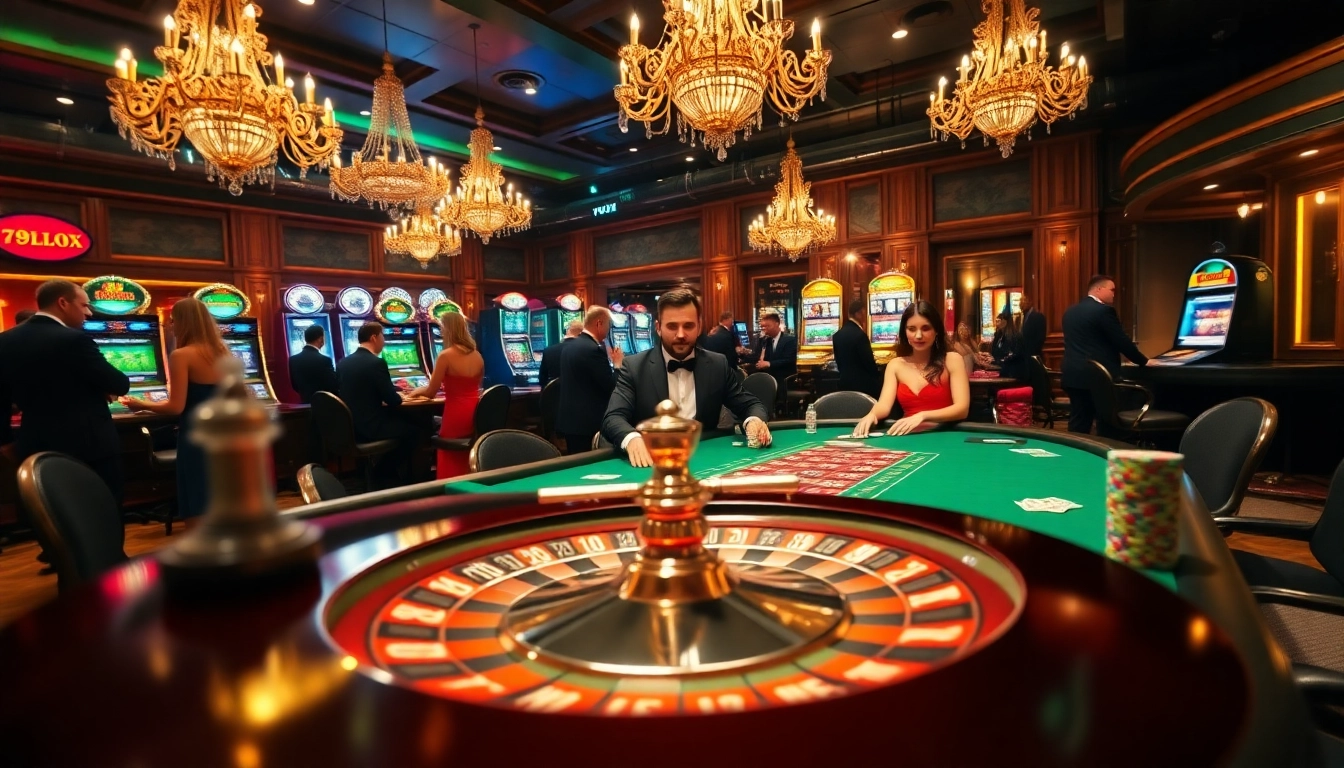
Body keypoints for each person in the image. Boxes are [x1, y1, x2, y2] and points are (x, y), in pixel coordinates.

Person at [602, 289, 770, 467]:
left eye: (688, 326)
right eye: (672, 326)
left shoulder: (717, 364)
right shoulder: (634, 367)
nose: (681, 334)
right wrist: (632, 438)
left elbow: (750, 405)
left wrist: (753, 421)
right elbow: (613, 417)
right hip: (652, 463)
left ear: (699, 326)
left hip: (707, 462)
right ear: (658, 328)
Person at [0, 280, 130, 509]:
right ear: (63, 303)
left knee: (53, 514)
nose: (88, 313)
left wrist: (6, 442)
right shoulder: (74, 339)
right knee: (101, 513)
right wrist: (102, 389)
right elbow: (119, 383)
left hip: (35, 445)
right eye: (84, 305)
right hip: (89, 448)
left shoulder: (5, 340)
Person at [120, 298, 226, 520]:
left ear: (185, 322)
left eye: (173, 320)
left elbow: (176, 406)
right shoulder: (224, 353)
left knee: (198, 504)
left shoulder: (182, 355)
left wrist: (142, 404)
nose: (171, 326)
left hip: (197, 438)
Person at [853, 300, 969, 437]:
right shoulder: (895, 365)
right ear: (905, 331)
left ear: (936, 330)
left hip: (945, 435)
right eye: (912, 329)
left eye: (926, 328)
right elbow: (884, 405)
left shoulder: (952, 360)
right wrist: (872, 415)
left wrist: (922, 416)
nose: (918, 336)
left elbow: (962, 409)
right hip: (908, 436)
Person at [336, 322, 425, 487]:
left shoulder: (343, 363)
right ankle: (388, 474)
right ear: (374, 338)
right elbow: (393, 401)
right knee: (417, 430)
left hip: (351, 427)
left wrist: (394, 389)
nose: (384, 340)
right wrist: (401, 394)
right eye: (383, 336)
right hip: (372, 427)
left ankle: (386, 475)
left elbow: (363, 389)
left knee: (407, 423)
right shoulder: (376, 363)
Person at [1061, 275, 1150, 436]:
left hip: (1072, 374)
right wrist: (1144, 361)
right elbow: (1121, 341)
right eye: (1112, 290)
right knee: (1106, 423)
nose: (1114, 294)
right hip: (1098, 376)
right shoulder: (1103, 311)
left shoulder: (1070, 312)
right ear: (1099, 289)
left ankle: (1074, 451)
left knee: (1078, 423)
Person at [406, 312, 484, 480]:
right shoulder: (477, 355)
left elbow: (430, 392)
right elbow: (477, 385)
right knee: (466, 450)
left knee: (447, 450)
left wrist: (413, 392)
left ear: (448, 329)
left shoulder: (445, 355)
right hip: (475, 413)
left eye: (442, 327)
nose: (440, 331)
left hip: (455, 414)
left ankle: (448, 484)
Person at [556, 306, 623, 454]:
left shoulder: (569, 346)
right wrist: (618, 365)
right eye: (608, 325)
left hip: (569, 420)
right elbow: (611, 386)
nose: (608, 330)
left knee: (576, 463)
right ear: (599, 323)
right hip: (587, 423)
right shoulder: (594, 350)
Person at [831, 298, 882, 399]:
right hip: (864, 388)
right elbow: (869, 364)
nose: (865, 316)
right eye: (863, 312)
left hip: (844, 385)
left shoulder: (837, 335)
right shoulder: (860, 335)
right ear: (858, 313)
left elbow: (838, 362)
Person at [288, 323, 338, 404]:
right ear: (320, 339)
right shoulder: (325, 360)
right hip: (324, 404)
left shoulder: (293, 359)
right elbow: (332, 384)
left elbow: (295, 385)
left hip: (305, 403)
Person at [750, 311, 797, 386]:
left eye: (767, 326)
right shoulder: (766, 340)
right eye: (762, 327)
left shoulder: (789, 340)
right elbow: (758, 357)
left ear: (777, 324)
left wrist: (769, 364)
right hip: (769, 377)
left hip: (784, 377)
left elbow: (789, 360)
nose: (764, 329)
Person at [539, 318, 582, 389]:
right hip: (578, 394)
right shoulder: (585, 351)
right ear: (581, 334)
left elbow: (542, 380)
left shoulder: (548, 351)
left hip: (554, 394)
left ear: (566, 332)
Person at [989, 309, 1027, 380]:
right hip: (1003, 369)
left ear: (1005, 322)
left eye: (999, 320)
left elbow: (1014, 355)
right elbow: (995, 352)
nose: (997, 323)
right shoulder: (1000, 335)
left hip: (1013, 373)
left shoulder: (1014, 336)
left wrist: (998, 361)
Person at [1019, 293, 1046, 359]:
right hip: (1023, 356)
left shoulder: (1038, 317)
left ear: (1030, 302)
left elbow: (1040, 338)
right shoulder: (1021, 318)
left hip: (1033, 355)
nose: (1021, 304)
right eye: (1020, 301)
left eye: (1024, 301)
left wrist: (1031, 354)